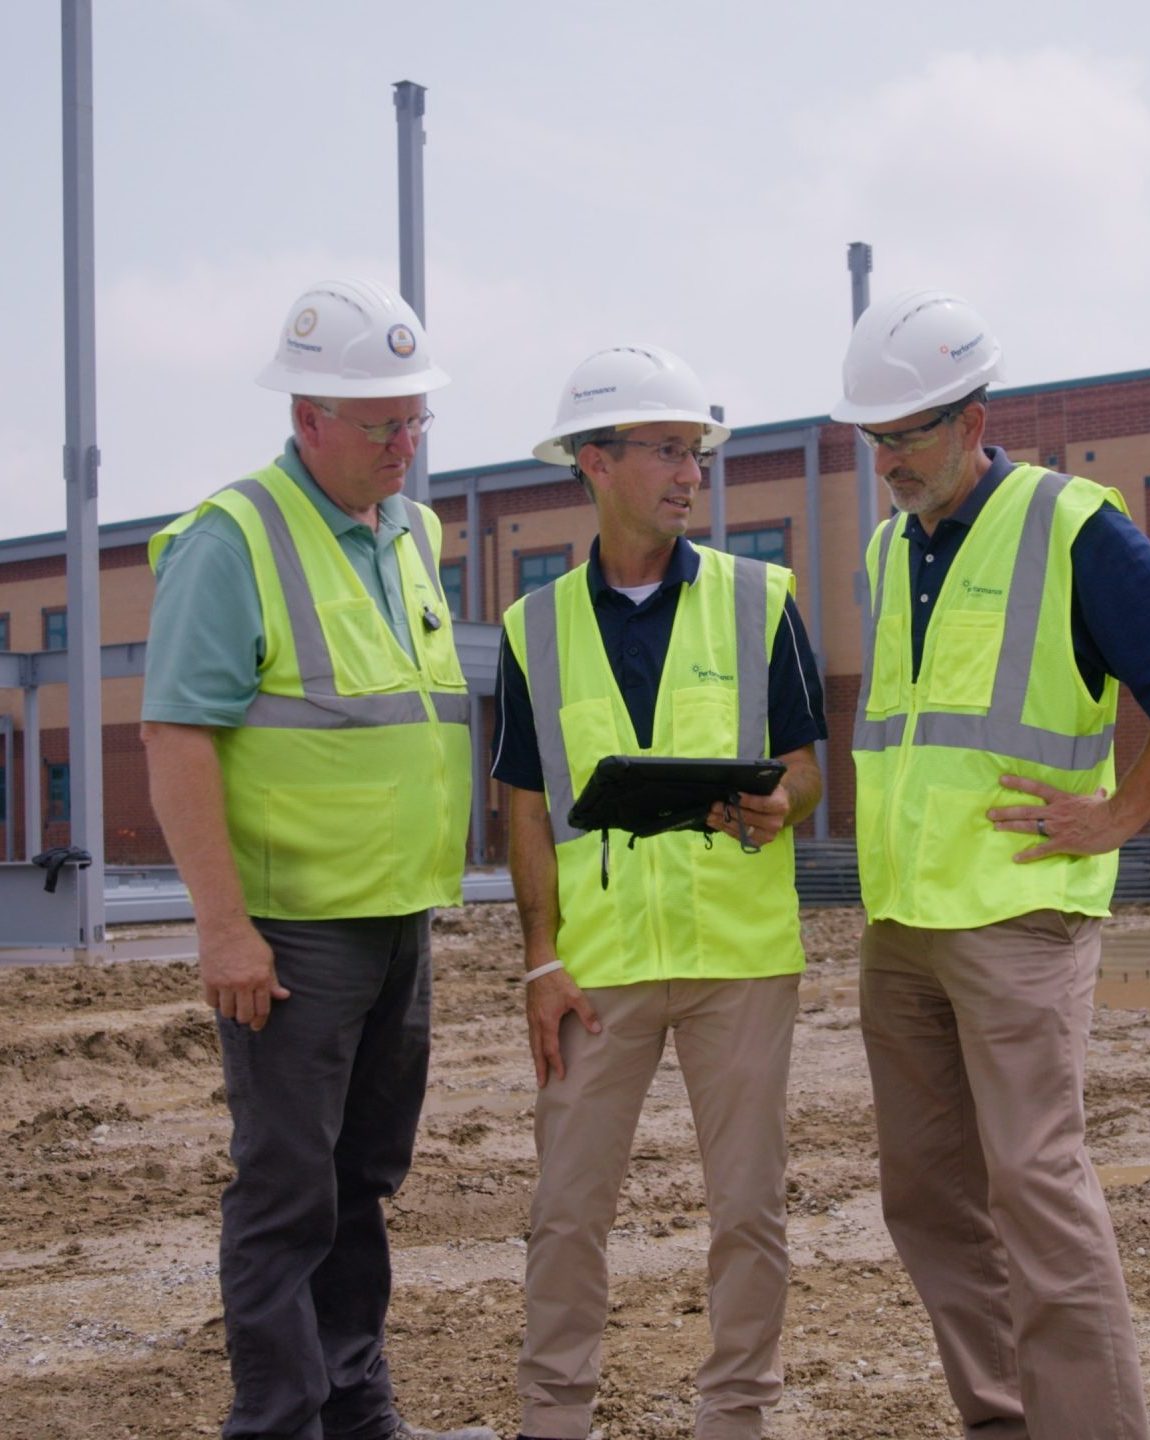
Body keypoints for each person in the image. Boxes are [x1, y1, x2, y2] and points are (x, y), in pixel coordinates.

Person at [832, 290, 1150, 1440]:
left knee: (1035, 1189)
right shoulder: (886, 548)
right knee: (925, 1197)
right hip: (902, 926)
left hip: (1019, 920)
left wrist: (1121, 812)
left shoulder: (1069, 524)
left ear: (974, 419)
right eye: (873, 441)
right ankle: (1003, 1419)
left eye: (908, 434)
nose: (889, 463)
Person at [140, 278, 496, 1440]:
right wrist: (223, 927)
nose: (407, 444)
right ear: (308, 419)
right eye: (382, 424)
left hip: (397, 920)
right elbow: (177, 735)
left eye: (415, 420)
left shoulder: (409, 530)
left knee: (361, 1185)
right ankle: (280, 1423)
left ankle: (359, 1415)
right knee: (289, 1193)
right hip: (293, 936)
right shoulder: (231, 540)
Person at [492, 343, 827, 1440]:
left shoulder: (758, 600)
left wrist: (781, 801)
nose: (691, 474)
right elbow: (525, 807)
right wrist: (540, 962)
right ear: (596, 461)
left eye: (698, 454)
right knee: (566, 1212)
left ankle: (736, 1418)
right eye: (668, 451)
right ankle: (555, 1419)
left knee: (749, 1212)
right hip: (595, 970)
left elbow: (809, 765)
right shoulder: (531, 629)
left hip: (738, 959)